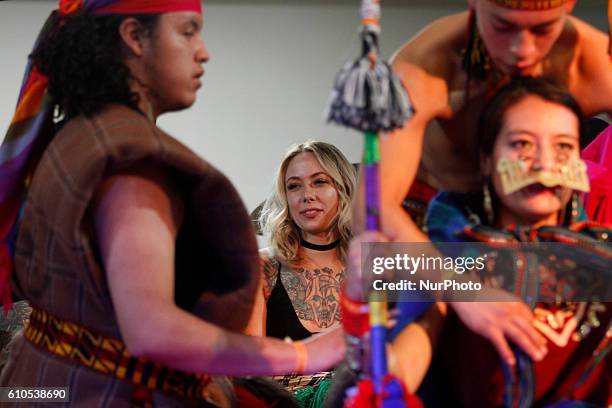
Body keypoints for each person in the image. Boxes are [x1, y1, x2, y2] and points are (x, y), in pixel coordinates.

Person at [0, 1, 342, 406]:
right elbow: (151, 331)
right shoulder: (132, 163)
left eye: (321, 183)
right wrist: (306, 352)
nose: (203, 50)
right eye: (187, 31)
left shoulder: (76, 138)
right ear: (133, 37)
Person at [355, 0, 612, 367]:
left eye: (543, 30)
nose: (522, 50)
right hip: (432, 233)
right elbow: (371, 210)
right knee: (398, 357)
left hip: (549, 233)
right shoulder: (423, 65)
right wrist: (466, 291)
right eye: (503, 27)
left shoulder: (595, 62)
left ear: (569, 6)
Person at [379, 77, 610, 406]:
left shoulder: (601, 259)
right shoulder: (444, 256)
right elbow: (405, 360)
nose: (545, 165)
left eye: (563, 147)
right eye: (521, 145)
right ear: (486, 159)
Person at [248, 141, 356, 406]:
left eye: (319, 182)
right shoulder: (263, 267)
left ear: (343, 189)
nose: (306, 195)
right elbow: (250, 370)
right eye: (294, 186)